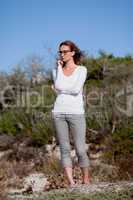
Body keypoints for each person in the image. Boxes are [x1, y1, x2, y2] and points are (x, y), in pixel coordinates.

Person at [51, 40, 91, 187]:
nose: (62, 54)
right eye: (60, 52)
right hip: (58, 112)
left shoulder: (82, 70)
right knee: (64, 149)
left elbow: (74, 89)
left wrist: (60, 89)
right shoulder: (56, 70)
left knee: (80, 149)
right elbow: (59, 85)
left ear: (72, 53)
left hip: (76, 113)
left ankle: (86, 180)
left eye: (65, 51)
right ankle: (71, 183)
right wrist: (59, 75)